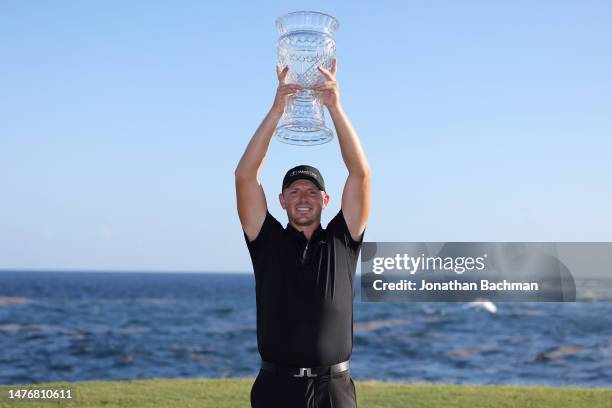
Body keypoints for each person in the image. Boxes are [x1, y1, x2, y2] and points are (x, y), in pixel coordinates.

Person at [235, 59, 371, 408]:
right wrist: (277, 110)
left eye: (311, 191)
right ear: (281, 200)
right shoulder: (266, 240)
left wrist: (335, 108)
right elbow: (245, 177)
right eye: (294, 191)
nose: (303, 198)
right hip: (275, 388)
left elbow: (360, 175)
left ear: (326, 199)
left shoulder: (343, 238)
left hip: (333, 390)